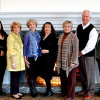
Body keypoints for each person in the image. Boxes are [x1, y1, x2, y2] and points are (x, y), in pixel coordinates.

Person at [76, 10, 98, 100]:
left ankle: (91, 92)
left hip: (88, 55)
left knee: (89, 74)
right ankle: (85, 89)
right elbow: (76, 39)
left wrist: (82, 52)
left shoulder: (93, 29)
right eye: (83, 16)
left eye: (87, 16)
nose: (85, 18)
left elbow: (91, 45)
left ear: (90, 18)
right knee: (82, 73)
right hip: (79, 54)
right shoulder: (79, 27)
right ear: (82, 17)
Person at [57, 20, 79, 100]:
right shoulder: (61, 36)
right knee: (63, 78)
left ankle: (70, 95)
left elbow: (76, 51)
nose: (67, 28)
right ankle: (64, 93)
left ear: (71, 27)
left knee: (71, 80)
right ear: (63, 27)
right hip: (62, 61)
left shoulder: (74, 37)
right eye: (65, 26)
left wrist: (73, 61)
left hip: (70, 62)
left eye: (68, 26)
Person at [7, 22, 25, 99]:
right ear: (12, 28)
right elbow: (10, 51)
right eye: (14, 27)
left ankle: (16, 91)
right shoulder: (10, 37)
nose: (16, 29)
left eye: (18, 27)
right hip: (13, 60)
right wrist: (13, 63)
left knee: (17, 77)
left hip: (19, 60)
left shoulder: (18, 36)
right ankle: (14, 93)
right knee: (14, 77)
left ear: (20, 29)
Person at [24, 19, 41, 98]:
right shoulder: (27, 34)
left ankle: (35, 89)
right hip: (30, 56)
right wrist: (25, 58)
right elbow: (25, 47)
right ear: (28, 26)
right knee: (31, 74)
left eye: (33, 24)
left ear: (36, 25)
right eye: (30, 24)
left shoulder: (38, 34)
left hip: (38, 56)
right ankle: (32, 91)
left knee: (35, 74)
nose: (32, 26)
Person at [40, 22, 58, 97]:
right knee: (43, 73)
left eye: (48, 27)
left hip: (50, 58)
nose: (47, 28)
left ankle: (49, 91)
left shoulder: (53, 37)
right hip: (43, 58)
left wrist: (48, 50)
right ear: (44, 28)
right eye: (46, 27)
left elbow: (56, 49)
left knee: (47, 74)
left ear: (51, 28)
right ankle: (48, 90)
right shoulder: (42, 36)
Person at [0, 21, 8, 98]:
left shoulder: (4, 34)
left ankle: (0, 90)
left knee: (1, 74)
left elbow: (8, 44)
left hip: (3, 58)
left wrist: (3, 51)